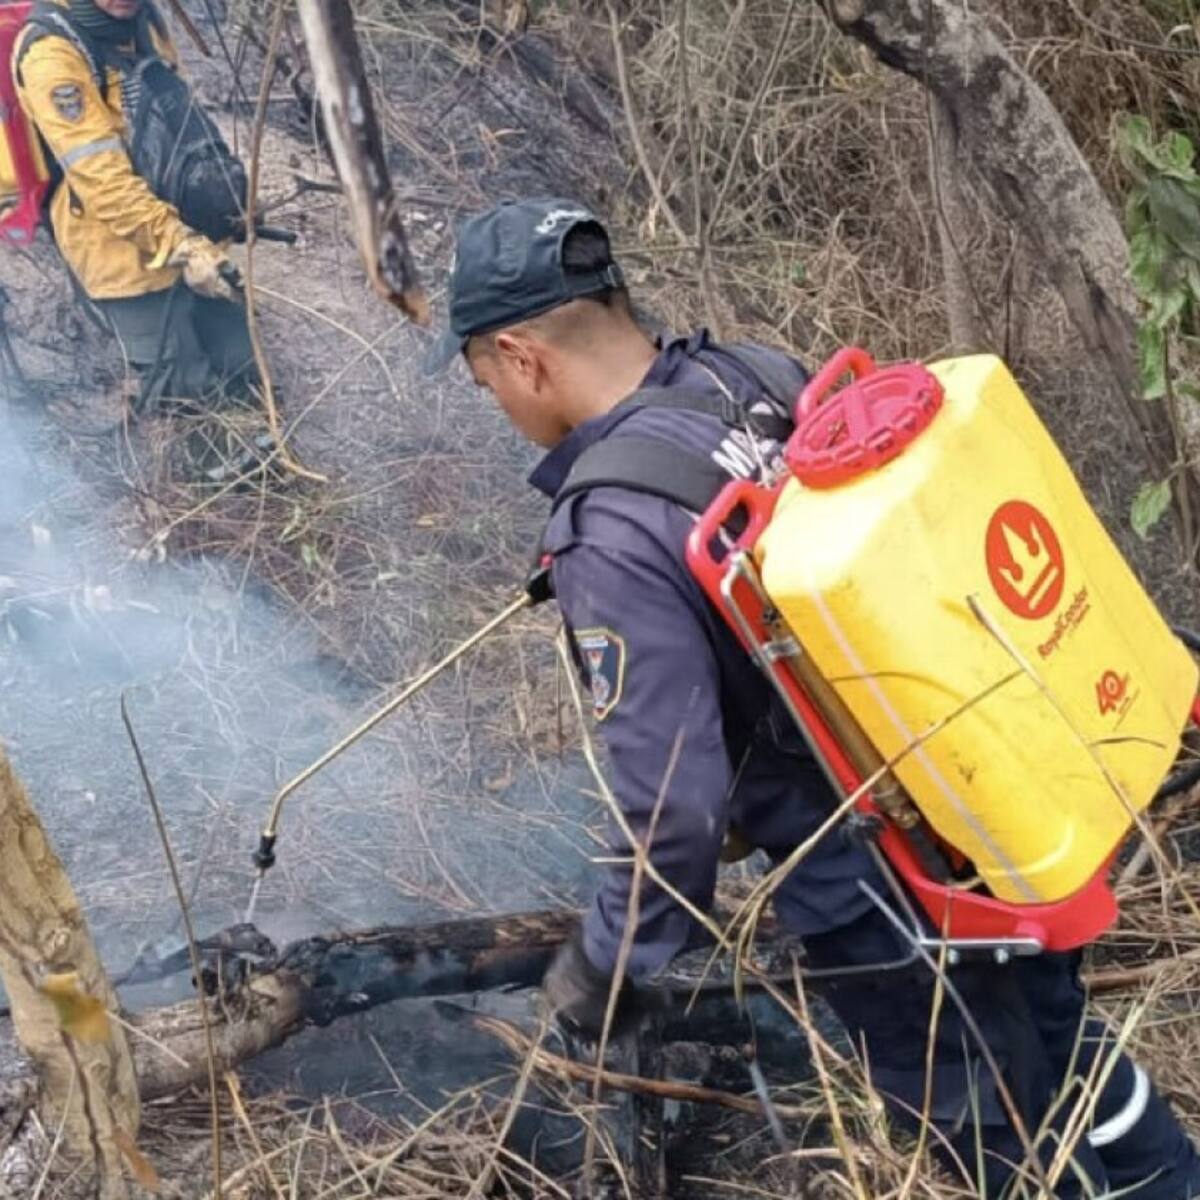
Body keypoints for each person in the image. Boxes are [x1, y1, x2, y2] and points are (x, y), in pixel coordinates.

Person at [427, 197, 1200, 1198]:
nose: (499, 402)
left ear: (522, 356)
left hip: (887, 893)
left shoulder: (608, 529)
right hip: (989, 800)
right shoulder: (746, 373)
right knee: (1064, 1050)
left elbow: (674, 809)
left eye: (486, 378)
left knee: (996, 1142)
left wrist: (602, 971)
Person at [12, 0, 258, 417]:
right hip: (124, 259)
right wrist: (182, 244)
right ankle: (194, 476)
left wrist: (226, 197)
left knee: (242, 366)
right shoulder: (50, 53)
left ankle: (260, 459)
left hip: (189, 236)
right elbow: (104, 184)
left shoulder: (146, 21)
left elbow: (180, 120)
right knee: (185, 398)